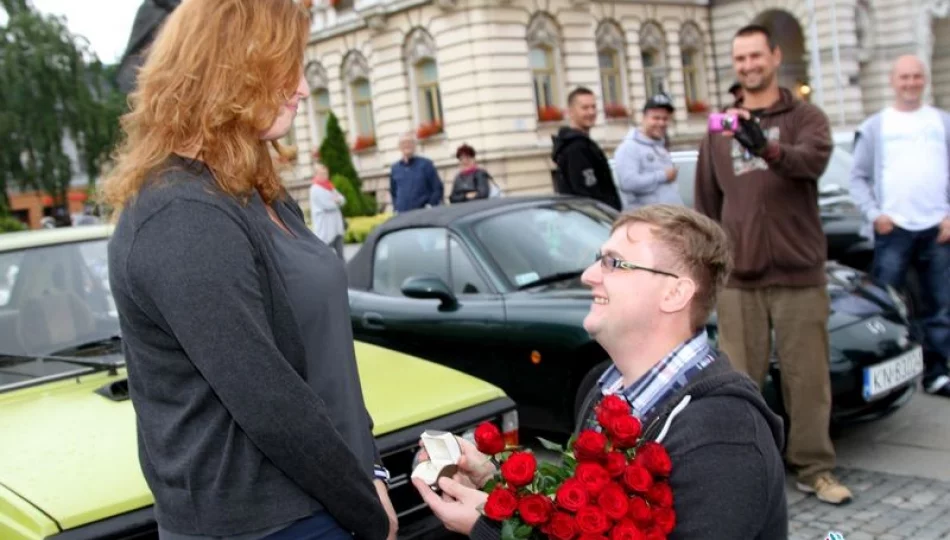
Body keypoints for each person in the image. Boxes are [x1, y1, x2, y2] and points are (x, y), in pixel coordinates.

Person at [101, 1, 396, 539]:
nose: (302, 88)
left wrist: (369, 466)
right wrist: (366, 511)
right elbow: (271, 405)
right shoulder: (181, 214)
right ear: (231, 66)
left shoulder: (256, 191)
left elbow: (326, 364)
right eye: (288, 65)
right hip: (267, 523)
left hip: (325, 498)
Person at [413, 205, 789, 540]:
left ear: (674, 294)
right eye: (599, 259)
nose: (589, 274)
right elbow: (574, 524)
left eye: (614, 263)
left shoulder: (725, 437)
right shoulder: (600, 387)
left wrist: (489, 529)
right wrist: (492, 481)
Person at [694, 23, 852, 505]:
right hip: (740, 278)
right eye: (739, 59)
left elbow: (810, 163)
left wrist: (765, 145)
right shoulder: (719, 128)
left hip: (799, 273)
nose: (747, 66)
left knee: (809, 378)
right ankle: (748, 471)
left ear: (774, 57)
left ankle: (814, 468)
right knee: (739, 382)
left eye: (755, 56)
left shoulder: (805, 116)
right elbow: (706, 199)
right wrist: (709, 265)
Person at [850, 54, 950, 397]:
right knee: (886, 306)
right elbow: (858, 177)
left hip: (938, 229)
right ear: (893, 81)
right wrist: (874, 214)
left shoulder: (942, 122)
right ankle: (888, 376)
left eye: (916, 76)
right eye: (904, 77)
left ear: (924, 80)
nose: (910, 83)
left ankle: (937, 373)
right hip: (893, 231)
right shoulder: (878, 126)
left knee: (939, 306)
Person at [551, 87, 622, 210]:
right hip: (594, 222)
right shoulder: (576, 149)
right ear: (570, 112)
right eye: (585, 108)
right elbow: (587, 197)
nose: (591, 112)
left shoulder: (584, 144)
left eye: (593, 107)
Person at [613, 93, 681, 210]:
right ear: (644, 118)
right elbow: (628, 182)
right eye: (656, 118)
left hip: (668, 218)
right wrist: (663, 176)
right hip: (647, 221)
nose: (661, 123)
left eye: (665, 119)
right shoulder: (630, 147)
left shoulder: (660, 145)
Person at [390, 131, 444, 212]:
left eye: (410, 142)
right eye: (403, 143)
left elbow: (437, 188)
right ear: (399, 147)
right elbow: (393, 192)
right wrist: (396, 207)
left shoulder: (426, 164)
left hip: (422, 214)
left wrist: (430, 205)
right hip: (403, 215)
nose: (407, 145)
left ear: (415, 145)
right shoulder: (395, 168)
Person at [309, 162, 347, 259]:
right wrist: (337, 201)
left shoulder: (330, 186)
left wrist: (337, 200)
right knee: (327, 257)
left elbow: (343, 199)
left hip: (336, 226)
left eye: (326, 173)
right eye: (322, 174)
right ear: (316, 174)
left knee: (340, 255)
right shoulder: (315, 189)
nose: (325, 176)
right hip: (325, 228)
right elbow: (328, 204)